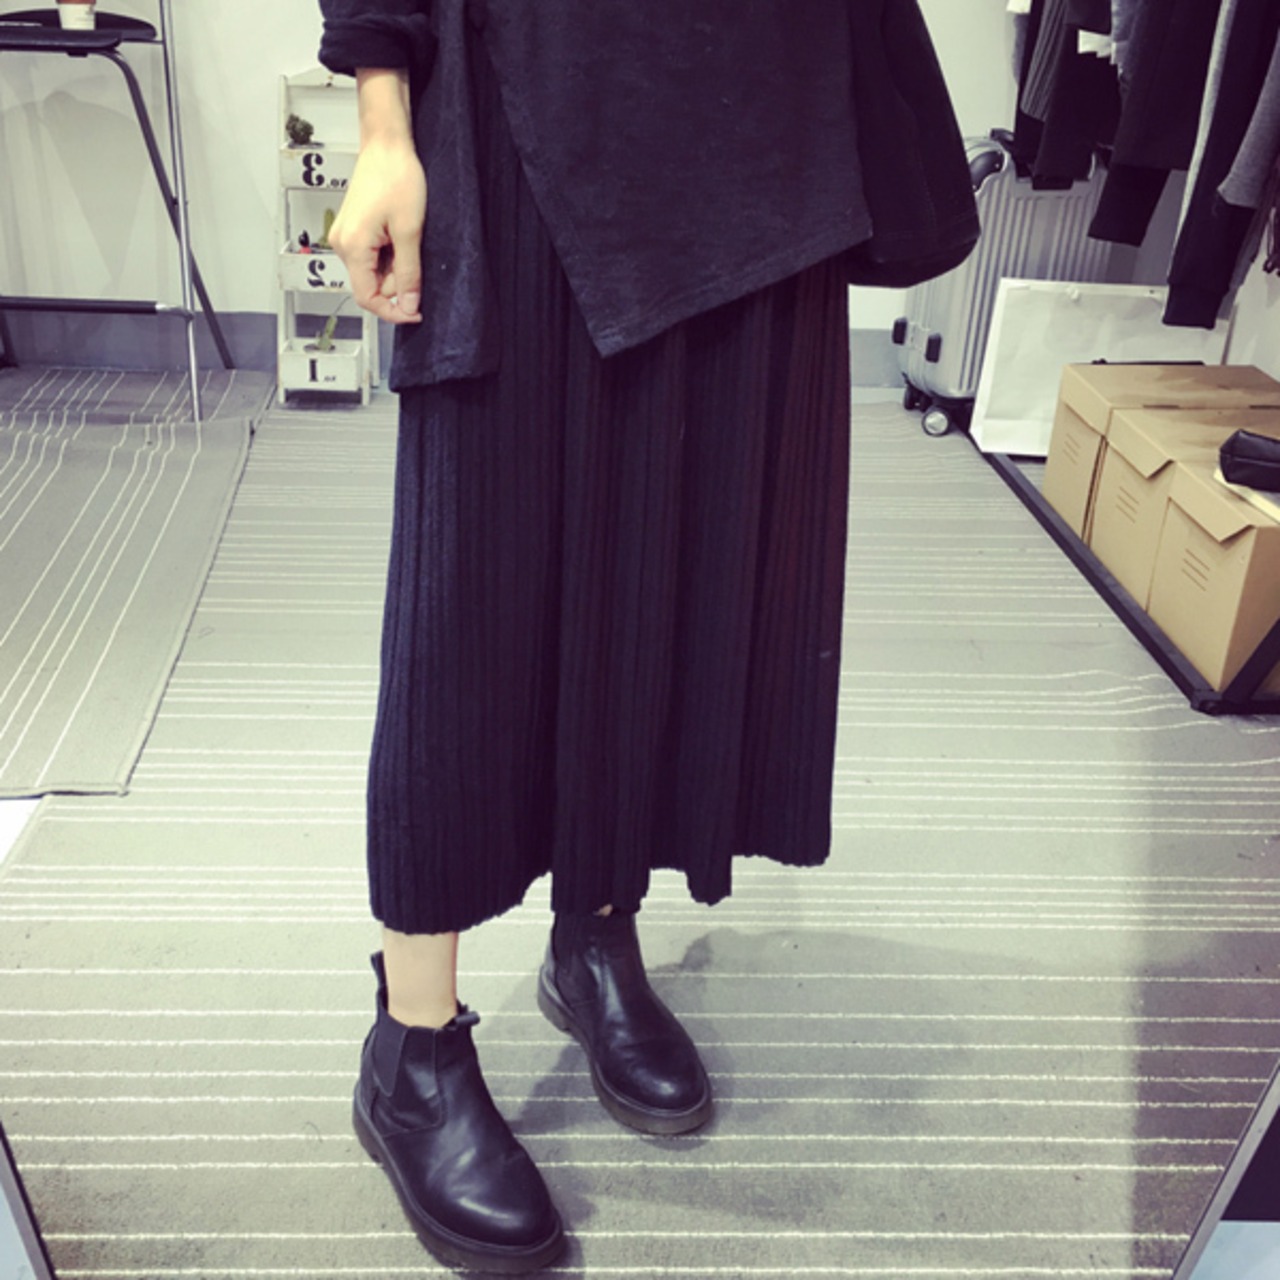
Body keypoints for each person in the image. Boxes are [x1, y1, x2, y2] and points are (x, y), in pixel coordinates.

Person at [317, 1, 977, 1272]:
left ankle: (596, 919)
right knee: (472, 601)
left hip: (767, 118)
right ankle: (412, 1045)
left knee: (679, 570)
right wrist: (384, 125)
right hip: (528, 84)